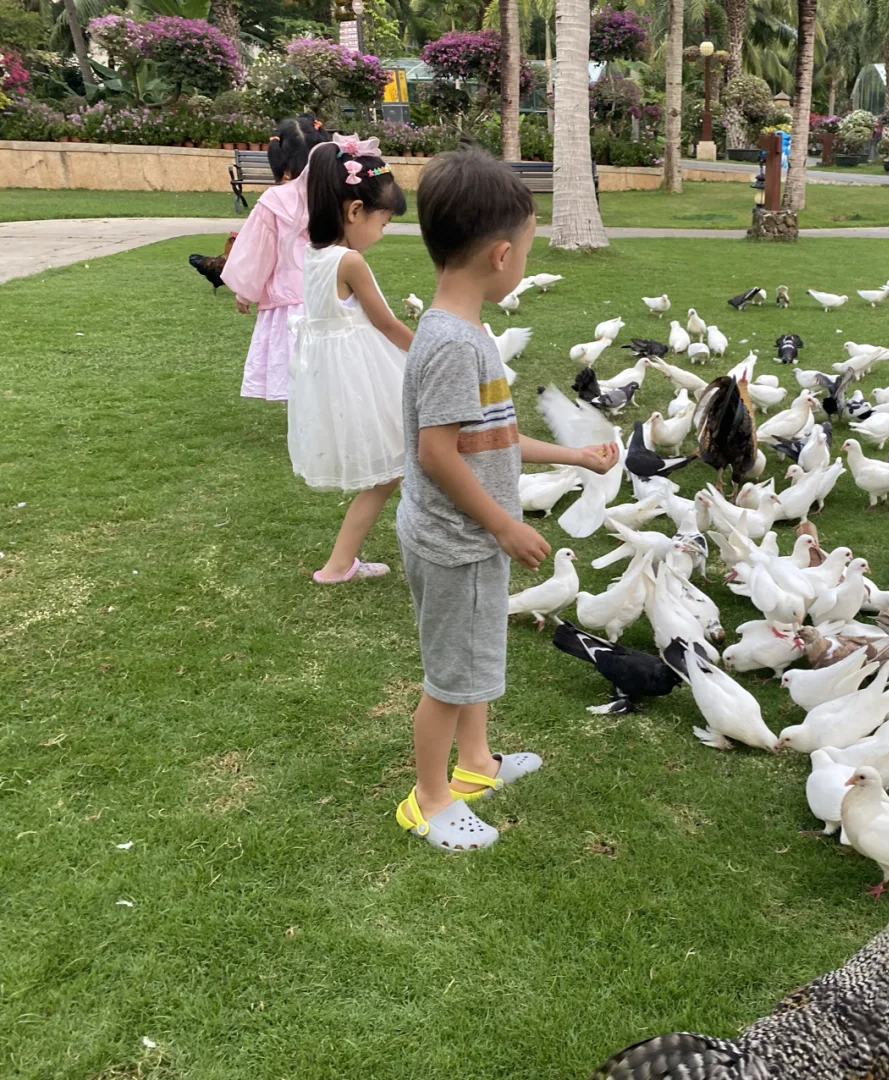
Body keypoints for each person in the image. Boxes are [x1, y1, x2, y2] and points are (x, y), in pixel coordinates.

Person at [394, 149, 619, 852]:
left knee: (475, 659)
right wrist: (503, 524)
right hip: (457, 541)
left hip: (473, 538)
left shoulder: (466, 335)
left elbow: (493, 436)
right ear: (500, 256)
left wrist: (575, 455)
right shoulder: (455, 346)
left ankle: (476, 766)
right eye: (525, 247)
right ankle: (428, 801)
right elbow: (438, 453)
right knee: (448, 678)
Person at [288, 133, 411, 584]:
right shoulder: (349, 261)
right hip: (366, 376)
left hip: (338, 378)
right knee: (396, 466)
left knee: (393, 470)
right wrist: (432, 353)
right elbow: (387, 324)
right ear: (355, 211)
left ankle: (340, 564)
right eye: (382, 223)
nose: (380, 234)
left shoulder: (313, 254)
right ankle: (338, 565)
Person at [221, 114, 329, 402]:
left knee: (295, 364)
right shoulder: (333, 194)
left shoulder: (275, 199)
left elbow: (258, 249)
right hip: (332, 290)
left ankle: (305, 417)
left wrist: (245, 291)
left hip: (289, 297)